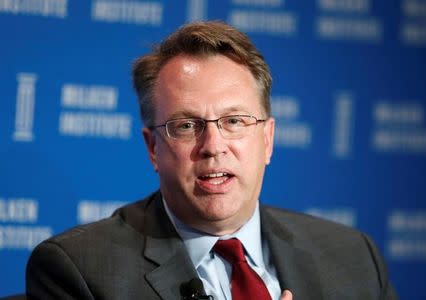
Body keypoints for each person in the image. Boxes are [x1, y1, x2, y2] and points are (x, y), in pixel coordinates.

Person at [26, 21, 397, 300]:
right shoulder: (79, 272)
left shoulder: (354, 259)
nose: (213, 145)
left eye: (234, 121)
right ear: (153, 147)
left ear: (267, 139)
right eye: (187, 125)